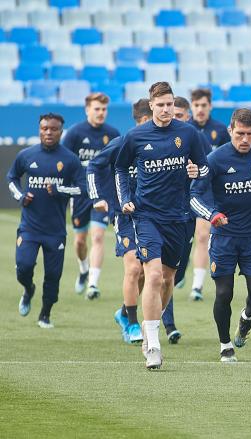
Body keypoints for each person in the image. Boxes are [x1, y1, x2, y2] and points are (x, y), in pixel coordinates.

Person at [115, 82, 209, 370]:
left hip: (178, 218)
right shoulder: (135, 136)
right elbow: (120, 168)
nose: (167, 109)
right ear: (151, 105)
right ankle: (152, 344)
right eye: (161, 104)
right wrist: (126, 199)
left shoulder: (188, 133)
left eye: (170, 104)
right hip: (146, 216)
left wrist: (196, 171)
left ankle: (151, 323)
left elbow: (204, 168)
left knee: (168, 279)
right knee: (153, 275)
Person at [190, 108, 251, 362]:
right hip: (224, 237)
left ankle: (246, 318)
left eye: (250, 134)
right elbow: (194, 196)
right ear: (230, 131)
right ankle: (225, 344)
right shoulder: (215, 159)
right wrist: (212, 214)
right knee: (224, 293)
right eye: (240, 134)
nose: (245, 139)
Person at [87, 99, 161, 344]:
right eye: (147, 121)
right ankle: (131, 323)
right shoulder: (122, 143)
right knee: (134, 268)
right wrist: (98, 197)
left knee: (149, 274)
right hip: (125, 215)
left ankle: (123, 312)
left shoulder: (161, 144)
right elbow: (93, 167)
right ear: (139, 120)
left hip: (153, 216)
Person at [8, 113, 85, 328]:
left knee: (53, 275)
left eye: (53, 129)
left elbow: (82, 189)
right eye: (44, 128)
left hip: (55, 230)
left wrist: (59, 190)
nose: (48, 132)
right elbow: (12, 178)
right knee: (23, 267)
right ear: (39, 129)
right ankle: (28, 289)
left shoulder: (70, 160)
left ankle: (45, 314)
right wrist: (21, 196)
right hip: (29, 228)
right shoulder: (26, 155)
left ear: (61, 131)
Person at [62, 93, 120, 300]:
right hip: (79, 195)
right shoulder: (75, 133)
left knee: (97, 236)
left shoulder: (113, 134)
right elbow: (64, 161)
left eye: (104, 109)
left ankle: (93, 285)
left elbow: (117, 165)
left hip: (102, 194)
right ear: (87, 110)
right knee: (79, 241)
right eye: (97, 109)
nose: (101, 113)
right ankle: (83, 268)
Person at [162, 95, 199, 343]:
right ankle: (167, 324)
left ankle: (125, 310)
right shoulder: (158, 140)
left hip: (187, 215)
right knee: (162, 273)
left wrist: (198, 171)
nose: (175, 119)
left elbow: (208, 170)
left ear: (188, 117)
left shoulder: (195, 140)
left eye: (180, 115)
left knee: (177, 272)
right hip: (160, 215)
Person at [188, 88, 230, 302]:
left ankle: (197, 285)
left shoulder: (220, 130)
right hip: (184, 189)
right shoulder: (184, 129)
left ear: (210, 106)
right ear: (191, 107)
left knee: (203, 235)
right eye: (196, 105)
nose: (200, 109)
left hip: (208, 189)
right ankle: (177, 271)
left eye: (204, 105)